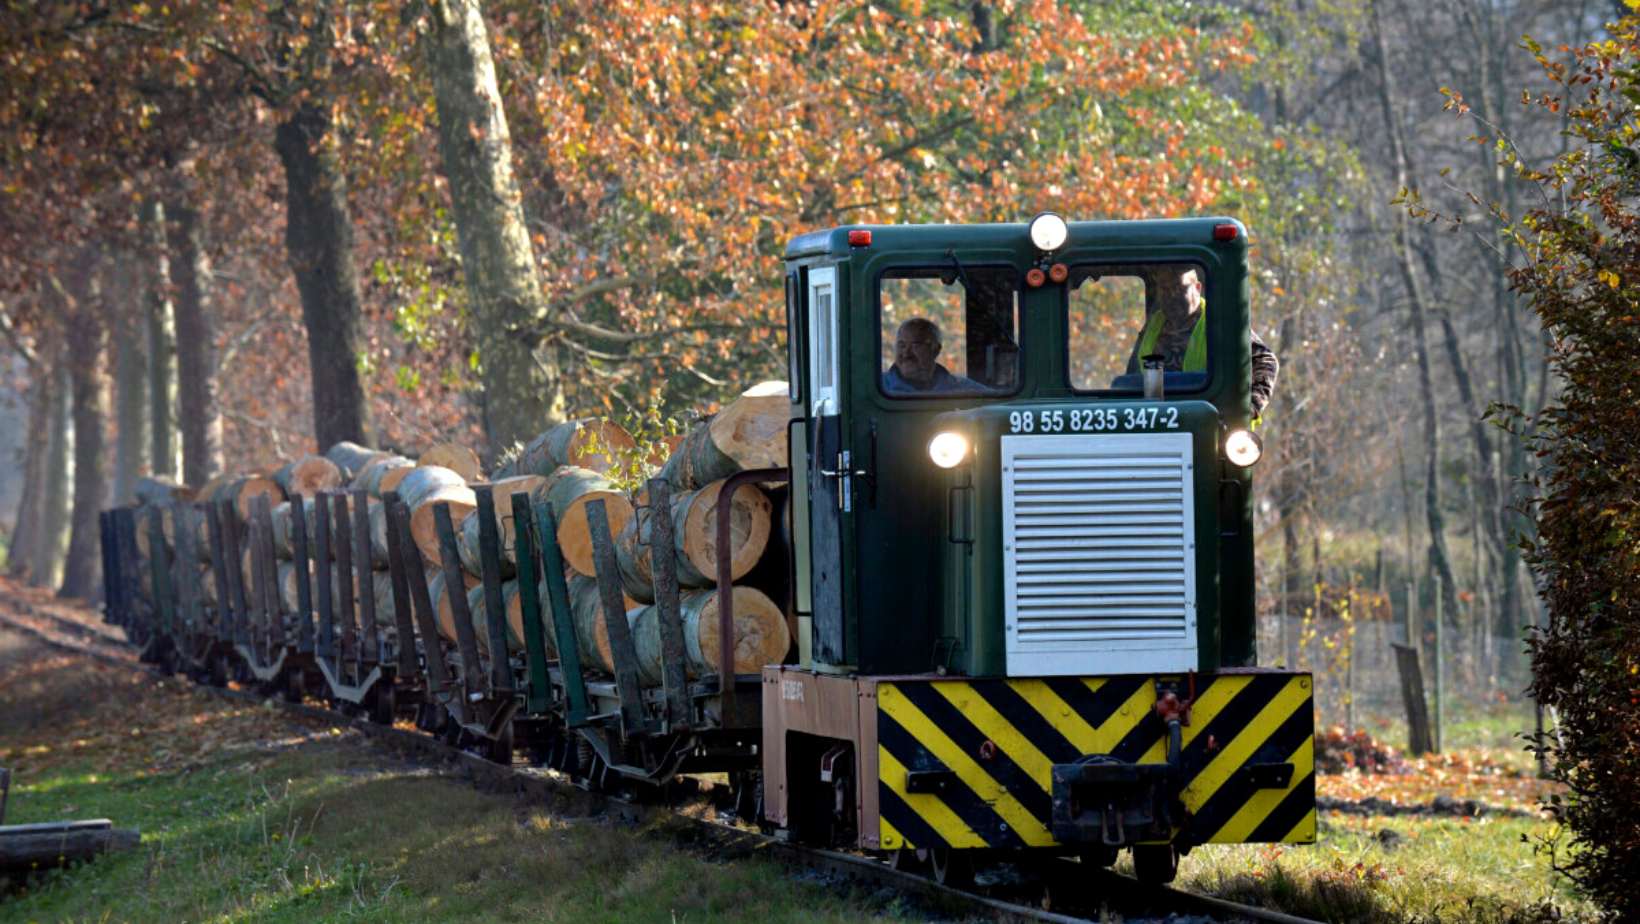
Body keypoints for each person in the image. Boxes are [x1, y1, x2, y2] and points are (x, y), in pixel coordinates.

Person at [1128, 268, 1279, 418]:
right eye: (1165, 290)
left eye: (1179, 288)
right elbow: (1132, 374)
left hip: (1209, 423)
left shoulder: (1220, 322)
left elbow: (1265, 360)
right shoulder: (1153, 325)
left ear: (1198, 288)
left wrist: (1251, 405)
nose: (1172, 296)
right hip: (1157, 421)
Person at [882, 317, 984, 394]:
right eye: (901, 345)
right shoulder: (877, 389)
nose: (906, 353)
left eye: (916, 345)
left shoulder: (963, 390)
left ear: (936, 350)